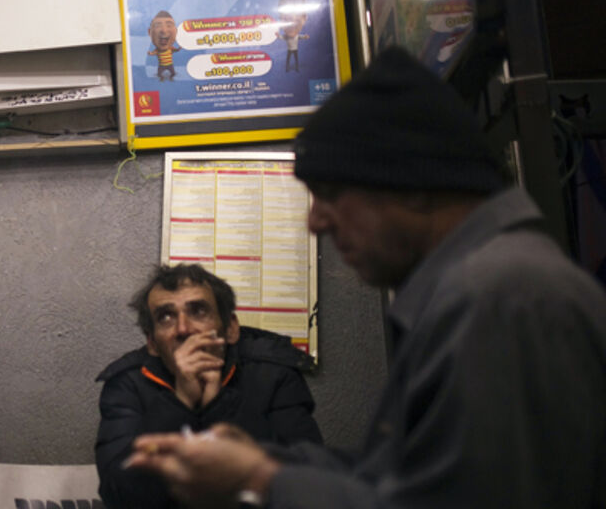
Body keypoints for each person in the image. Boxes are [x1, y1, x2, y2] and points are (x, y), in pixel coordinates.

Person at [123, 47, 606, 508]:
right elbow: (402, 476)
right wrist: (265, 459)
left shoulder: (502, 297)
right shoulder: (483, 287)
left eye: (332, 192)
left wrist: (259, 480)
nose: (316, 222)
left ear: (415, 186)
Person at [96, 263, 321, 508]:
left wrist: (218, 406)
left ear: (231, 329)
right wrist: (180, 402)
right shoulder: (127, 384)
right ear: (152, 343)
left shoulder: (274, 374)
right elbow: (119, 496)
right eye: (166, 317)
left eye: (198, 311)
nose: (183, 329)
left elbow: (305, 483)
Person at [276, 0, 310, 73]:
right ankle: (288, 68)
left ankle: (296, 68)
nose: (292, 22)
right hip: (290, 50)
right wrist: (278, 36)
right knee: (288, 59)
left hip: (295, 50)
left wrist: (305, 37)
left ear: (304, 18)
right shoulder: (286, 36)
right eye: (286, 18)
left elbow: (301, 37)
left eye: (297, 16)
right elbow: (282, 37)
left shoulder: (297, 36)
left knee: (295, 59)